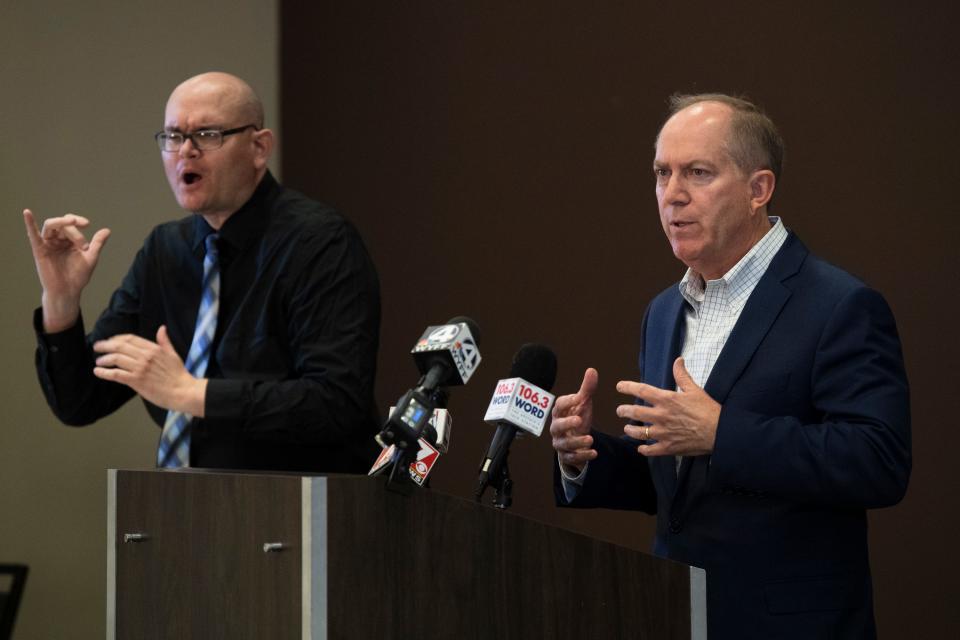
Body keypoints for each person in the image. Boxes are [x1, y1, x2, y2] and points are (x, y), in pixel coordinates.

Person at [550, 94, 910, 639]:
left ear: (758, 190)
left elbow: (878, 460)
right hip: (679, 614)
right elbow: (680, 487)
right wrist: (585, 458)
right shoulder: (663, 311)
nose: (672, 195)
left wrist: (722, 432)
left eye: (697, 173)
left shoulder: (838, 305)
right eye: (661, 173)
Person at [24, 72, 381, 473]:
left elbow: (336, 404)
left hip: (299, 512)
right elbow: (80, 401)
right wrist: (60, 301)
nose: (185, 152)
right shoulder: (165, 251)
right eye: (173, 137)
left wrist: (193, 394)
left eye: (207, 135)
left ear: (259, 147)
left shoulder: (320, 242)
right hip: (187, 514)